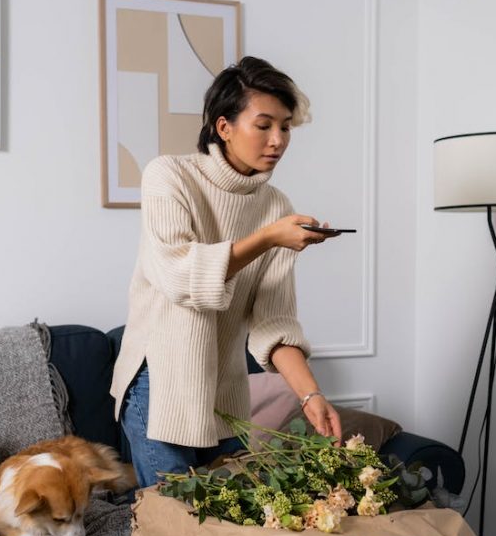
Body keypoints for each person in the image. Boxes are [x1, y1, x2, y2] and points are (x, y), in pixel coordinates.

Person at [111, 56, 343, 489]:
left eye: (286, 126)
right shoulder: (169, 176)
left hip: (226, 394)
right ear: (224, 127)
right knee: (177, 529)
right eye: (264, 124)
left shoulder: (276, 208)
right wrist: (269, 238)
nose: (277, 140)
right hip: (159, 386)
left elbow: (273, 322)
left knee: (231, 533)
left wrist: (312, 395)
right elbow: (181, 276)